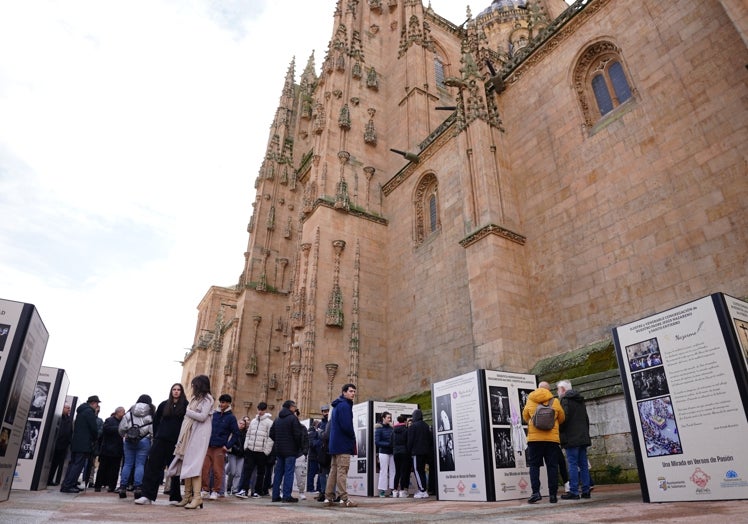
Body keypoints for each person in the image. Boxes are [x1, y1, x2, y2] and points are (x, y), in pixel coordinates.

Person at [135, 383, 188, 505]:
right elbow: (156, 421)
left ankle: (175, 497)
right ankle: (147, 495)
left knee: (175, 469)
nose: (176, 392)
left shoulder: (186, 405)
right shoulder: (164, 405)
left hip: (176, 443)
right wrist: (157, 435)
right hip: (160, 440)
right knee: (152, 467)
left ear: (182, 391)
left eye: (178, 390)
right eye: (174, 389)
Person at [168, 374, 214, 509]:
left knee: (194, 464)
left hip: (201, 433)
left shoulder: (207, 399)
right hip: (191, 432)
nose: (193, 387)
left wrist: (188, 412)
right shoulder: (195, 398)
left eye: (195, 385)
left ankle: (197, 497)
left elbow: (203, 416)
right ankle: (187, 496)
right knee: (187, 462)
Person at [522, 381, 565, 504]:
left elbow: (525, 416)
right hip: (551, 440)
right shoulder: (555, 401)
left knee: (534, 466)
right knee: (552, 466)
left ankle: (536, 492)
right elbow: (562, 418)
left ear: (538, 388)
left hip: (535, 440)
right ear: (548, 390)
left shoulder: (530, 400)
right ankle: (552, 495)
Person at [323, 383, 357, 508]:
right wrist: (353, 437)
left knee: (334, 471)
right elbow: (347, 426)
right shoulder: (344, 406)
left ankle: (328, 497)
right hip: (343, 444)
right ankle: (344, 498)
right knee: (342, 471)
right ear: (344, 392)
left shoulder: (337, 405)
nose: (353, 393)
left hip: (335, 444)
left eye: (354, 391)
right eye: (351, 391)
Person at [557, 379, 592, 500]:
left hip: (571, 437)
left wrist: (560, 430)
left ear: (563, 390)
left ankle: (574, 491)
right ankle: (586, 490)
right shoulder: (580, 400)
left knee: (572, 464)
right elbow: (586, 419)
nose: (557, 392)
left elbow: (563, 419)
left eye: (558, 389)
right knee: (583, 465)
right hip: (582, 437)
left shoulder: (564, 400)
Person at [201, 393, 240, 500]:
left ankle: (215, 491)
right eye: (221, 402)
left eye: (224, 402)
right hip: (208, 445)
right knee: (205, 469)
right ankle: (204, 489)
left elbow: (236, 433)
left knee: (217, 470)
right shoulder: (214, 414)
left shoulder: (231, 417)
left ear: (228, 403)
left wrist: (227, 445)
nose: (222, 404)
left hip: (219, 447)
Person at [60, 395, 101, 493]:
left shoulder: (81, 411)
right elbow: (93, 428)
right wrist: (96, 437)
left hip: (76, 442)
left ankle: (69, 483)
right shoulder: (89, 412)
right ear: (94, 403)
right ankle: (68, 486)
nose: (97, 406)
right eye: (97, 404)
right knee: (77, 465)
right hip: (84, 443)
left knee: (73, 464)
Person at [118, 395, 155, 500]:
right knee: (140, 464)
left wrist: (124, 435)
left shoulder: (129, 413)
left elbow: (121, 428)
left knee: (127, 464)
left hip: (129, 440)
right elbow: (152, 431)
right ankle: (138, 487)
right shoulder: (150, 415)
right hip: (144, 441)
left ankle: (122, 487)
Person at [235, 402, 273, 499]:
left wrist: (266, 451)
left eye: (262, 410)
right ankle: (244, 490)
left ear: (265, 410)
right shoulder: (253, 421)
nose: (260, 412)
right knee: (247, 471)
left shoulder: (269, 422)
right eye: (259, 409)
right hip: (251, 449)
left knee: (260, 473)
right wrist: (246, 446)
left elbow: (271, 438)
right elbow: (248, 434)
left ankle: (257, 491)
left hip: (261, 451)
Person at [269, 399, 304, 503]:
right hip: (290, 450)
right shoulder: (293, 418)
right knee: (289, 472)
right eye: (294, 407)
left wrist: (278, 441)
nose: (295, 408)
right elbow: (297, 435)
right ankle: (286, 496)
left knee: (278, 472)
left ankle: (275, 496)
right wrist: (297, 446)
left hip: (279, 450)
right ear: (290, 407)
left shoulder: (277, 419)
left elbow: (271, 433)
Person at [95, 407, 125, 493]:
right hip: (107, 449)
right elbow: (106, 429)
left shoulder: (124, 422)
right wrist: (119, 428)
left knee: (115, 470)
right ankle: (98, 486)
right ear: (118, 412)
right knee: (102, 468)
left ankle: (112, 486)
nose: (124, 413)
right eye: (123, 412)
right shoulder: (109, 420)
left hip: (117, 450)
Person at [407, 408, 432, 499]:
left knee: (417, 470)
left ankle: (422, 490)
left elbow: (410, 441)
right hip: (425, 452)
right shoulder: (426, 425)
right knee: (422, 471)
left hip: (416, 452)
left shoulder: (413, 426)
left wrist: (409, 451)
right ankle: (424, 489)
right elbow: (429, 439)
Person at [48, 403, 73, 486]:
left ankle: (50, 479)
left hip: (63, 445)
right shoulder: (57, 416)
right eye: (67, 408)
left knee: (56, 463)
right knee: (51, 462)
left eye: (69, 408)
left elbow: (70, 432)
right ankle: (47, 479)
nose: (69, 410)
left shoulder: (69, 419)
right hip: (55, 443)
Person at [224, 417, 247, 495]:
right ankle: (228, 486)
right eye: (240, 423)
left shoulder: (245, 434)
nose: (241, 425)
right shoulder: (233, 432)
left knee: (238, 473)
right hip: (233, 453)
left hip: (241, 455)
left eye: (243, 424)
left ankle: (235, 489)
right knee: (233, 472)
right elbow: (230, 441)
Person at [375, 411, 395, 497]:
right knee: (383, 471)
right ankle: (382, 490)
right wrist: (389, 444)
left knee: (393, 471)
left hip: (392, 452)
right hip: (383, 452)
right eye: (388, 417)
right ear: (383, 418)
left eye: (390, 417)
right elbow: (377, 442)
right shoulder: (378, 429)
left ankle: (392, 489)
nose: (389, 419)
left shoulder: (392, 429)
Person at [391, 414, 410, 498]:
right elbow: (408, 442)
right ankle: (402, 490)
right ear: (405, 421)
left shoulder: (393, 431)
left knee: (397, 472)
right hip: (404, 452)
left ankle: (395, 491)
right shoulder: (406, 430)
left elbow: (391, 442)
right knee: (403, 472)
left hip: (396, 453)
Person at [314, 405, 331, 502]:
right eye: (324, 411)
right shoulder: (320, 424)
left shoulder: (332, 422)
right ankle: (323, 492)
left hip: (331, 450)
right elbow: (314, 439)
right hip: (322, 452)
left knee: (332, 473)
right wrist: (319, 444)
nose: (326, 413)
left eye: (328, 411)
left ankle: (331, 493)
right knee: (322, 474)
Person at [293, 409, 310, 500]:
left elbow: (306, 441)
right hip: (289, 454)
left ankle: (301, 492)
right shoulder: (288, 427)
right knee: (286, 476)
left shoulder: (303, 428)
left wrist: (305, 453)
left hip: (300, 454)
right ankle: (283, 491)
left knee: (301, 476)